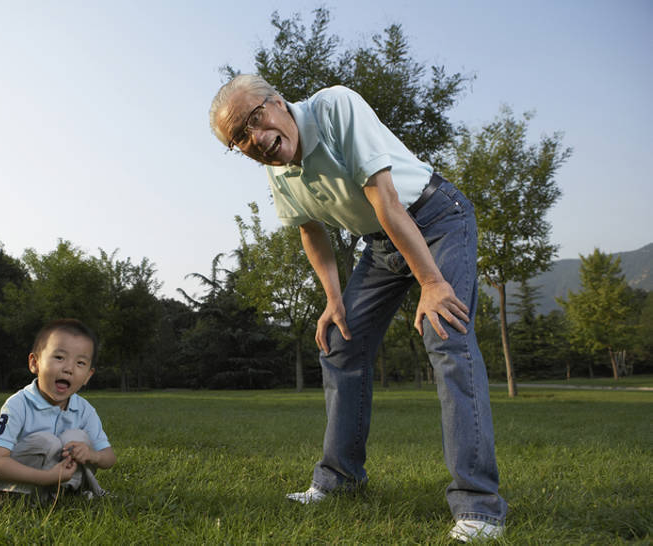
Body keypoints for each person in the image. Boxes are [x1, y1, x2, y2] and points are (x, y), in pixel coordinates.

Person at [209, 74, 507, 542]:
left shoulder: (334, 107)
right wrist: (333, 301)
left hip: (435, 219)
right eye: (240, 139)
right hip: (382, 244)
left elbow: (387, 201)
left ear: (278, 103)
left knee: (446, 335)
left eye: (255, 121)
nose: (256, 140)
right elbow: (311, 231)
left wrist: (432, 281)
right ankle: (339, 479)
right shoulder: (276, 166)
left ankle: (480, 508)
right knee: (339, 344)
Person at [0, 318, 116, 515]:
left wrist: (92, 455)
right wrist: (46, 477)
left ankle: (70, 492)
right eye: (59, 357)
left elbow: (109, 457)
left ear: (87, 376)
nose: (68, 368)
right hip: (13, 482)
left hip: (57, 481)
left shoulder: (84, 410)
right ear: (35, 363)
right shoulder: (18, 404)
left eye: (80, 363)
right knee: (48, 441)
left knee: (77, 439)